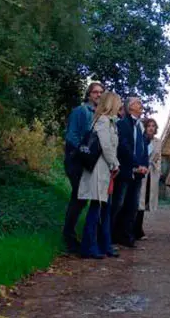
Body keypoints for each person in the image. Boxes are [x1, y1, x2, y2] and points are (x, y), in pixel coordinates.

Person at [62, 81, 104, 254]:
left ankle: (71, 236)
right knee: (78, 198)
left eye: (101, 93)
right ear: (89, 94)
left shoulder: (98, 114)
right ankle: (69, 237)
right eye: (95, 92)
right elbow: (71, 135)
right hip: (76, 160)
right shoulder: (80, 111)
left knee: (81, 199)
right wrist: (82, 149)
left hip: (88, 162)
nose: (98, 95)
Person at [79, 91, 121, 259]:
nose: (119, 106)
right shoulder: (103, 121)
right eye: (117, 103)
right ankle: (88, 247)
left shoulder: (108, 122)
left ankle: (100, 245)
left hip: (104, 170)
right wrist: (115, 163)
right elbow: (106, 146)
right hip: (99, 169)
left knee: (102, 208)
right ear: (111, 104)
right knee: (96, 209)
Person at [111, 97, 149, 247]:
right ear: (130, 107)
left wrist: (144, 165)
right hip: (126, 171)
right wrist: (135, 163)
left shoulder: (140, 126)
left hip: (138, 173)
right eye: (138, 103)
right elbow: (123, 146)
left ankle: (126, 236)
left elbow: (144, 147)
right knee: (118, 204)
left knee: (132, 206)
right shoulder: (123, 124)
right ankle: (110, 236)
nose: (141, 106)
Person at [134, 118, 164, 241]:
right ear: (145, 128)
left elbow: (159, 158)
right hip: (139, 171)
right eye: (149, 126)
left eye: (153, 126)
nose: (151, 128)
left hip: (151, 173)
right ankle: (135, 229)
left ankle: (138, 228)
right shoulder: (140, 139)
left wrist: (158, 170)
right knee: (138, 200)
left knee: (144, 200)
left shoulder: (158, 142)